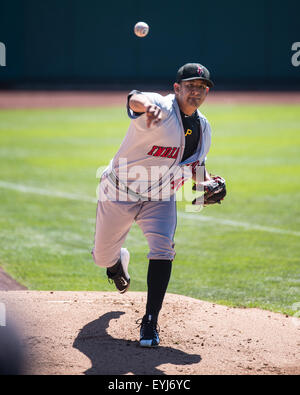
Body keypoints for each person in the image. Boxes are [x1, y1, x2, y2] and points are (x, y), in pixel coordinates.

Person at [92, 63, 220, 347]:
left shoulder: (203, 127)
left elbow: (197, 168)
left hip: (160, 197)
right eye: (190, 86)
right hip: (119, 191)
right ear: (177, 88)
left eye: (202, 87)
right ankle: (115, 264)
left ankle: (150, 321)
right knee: (101, 257)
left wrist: (209, 185)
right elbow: (134, 98)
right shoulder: (160, 107)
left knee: (163, 249)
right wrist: (147, 106)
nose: (196, 92)